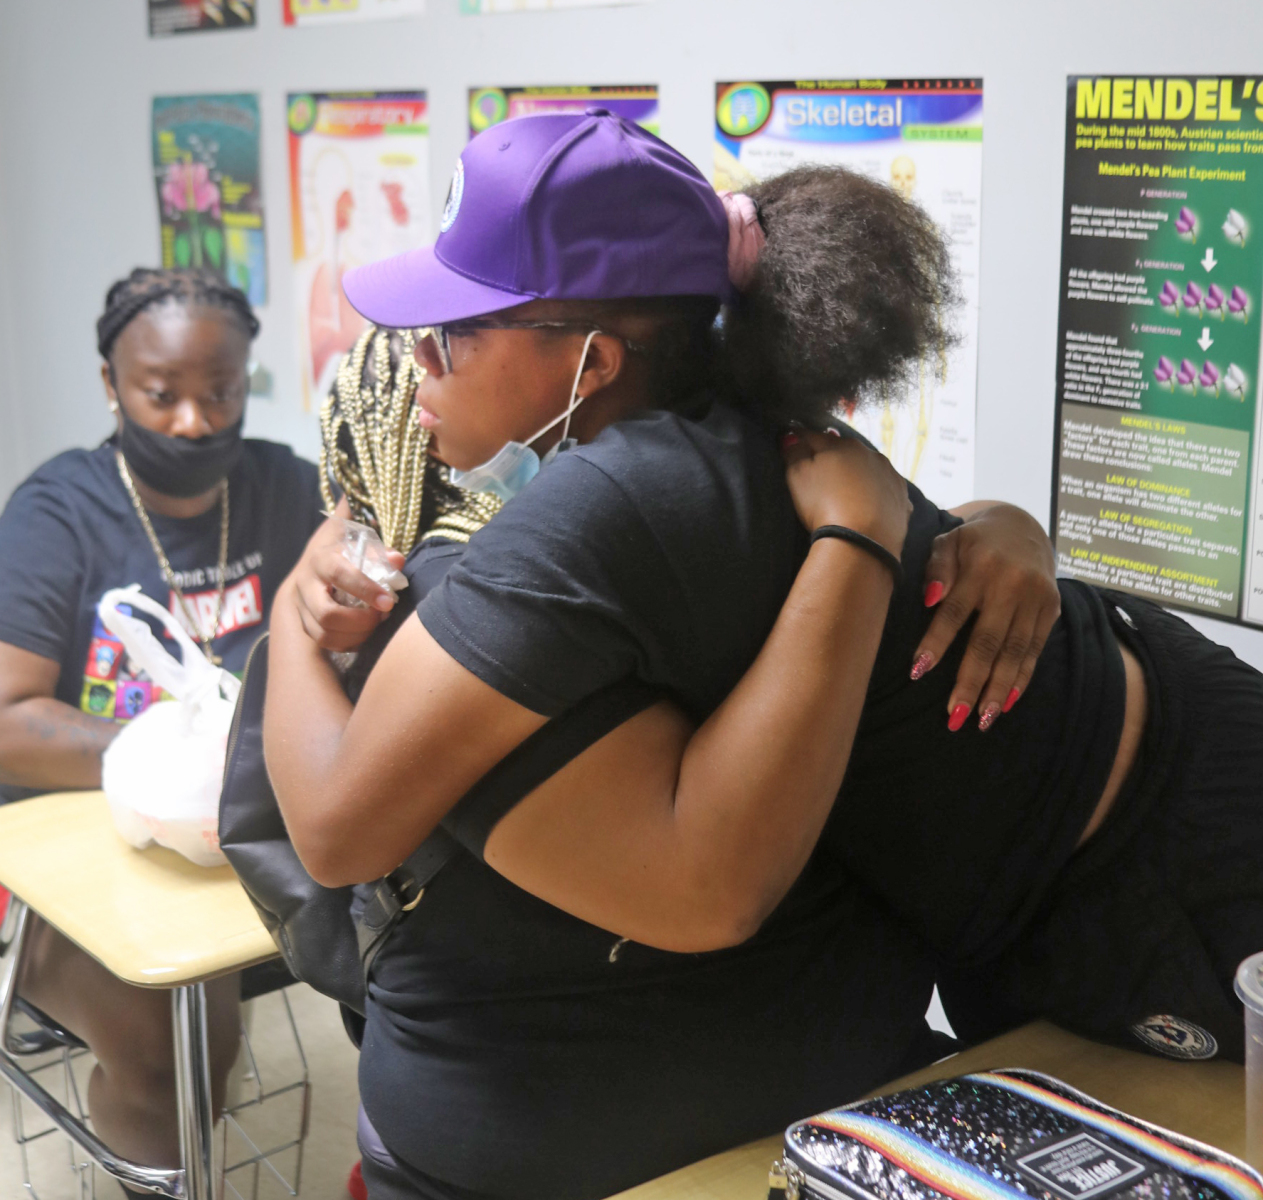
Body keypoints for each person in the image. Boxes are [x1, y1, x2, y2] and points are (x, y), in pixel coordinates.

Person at [265, 112, 1069, 1200]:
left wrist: (286, 622)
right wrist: (960, 527)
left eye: (449, 336)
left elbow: (334, 829)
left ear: (590, 362)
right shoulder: (770, 477)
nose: (415, 366)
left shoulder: (670, 520)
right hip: (785, 1095)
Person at [0, 268, 322, 1186]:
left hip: (240, 829)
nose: (192, 421)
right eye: (161, 394)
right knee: (170, 1050)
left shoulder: (287, 489)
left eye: (219, 393)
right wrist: (190, 758)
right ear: (112, 385)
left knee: (420, 953)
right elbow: (8, 722)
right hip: (63, 851)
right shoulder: (56, 513)